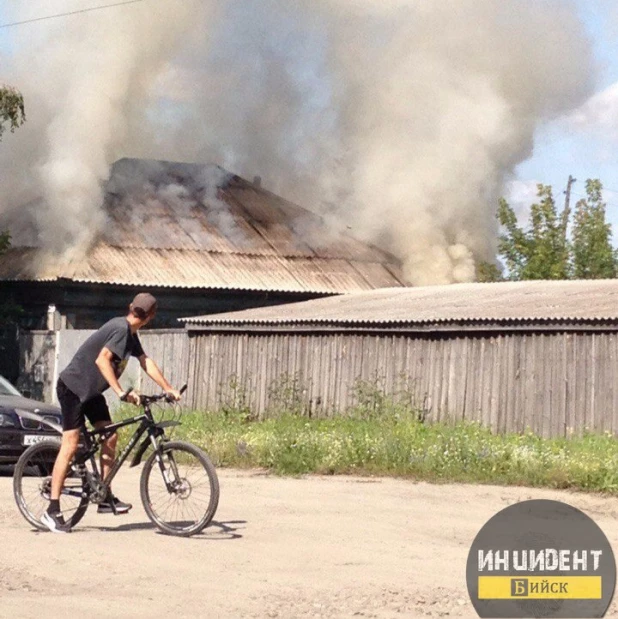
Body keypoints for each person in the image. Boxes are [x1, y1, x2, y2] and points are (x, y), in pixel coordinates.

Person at [42, 292, 182, 533]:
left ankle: (104, 494)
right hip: (73, 388)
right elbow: (102, 361)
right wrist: (120, 392)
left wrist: (168, 388)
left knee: (110, 436)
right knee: (71, 444)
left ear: (131, 308)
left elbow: (145, 361)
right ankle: (52, 510)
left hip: (91, 391)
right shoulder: (120, 330)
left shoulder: (130, 333)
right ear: (151, 317)